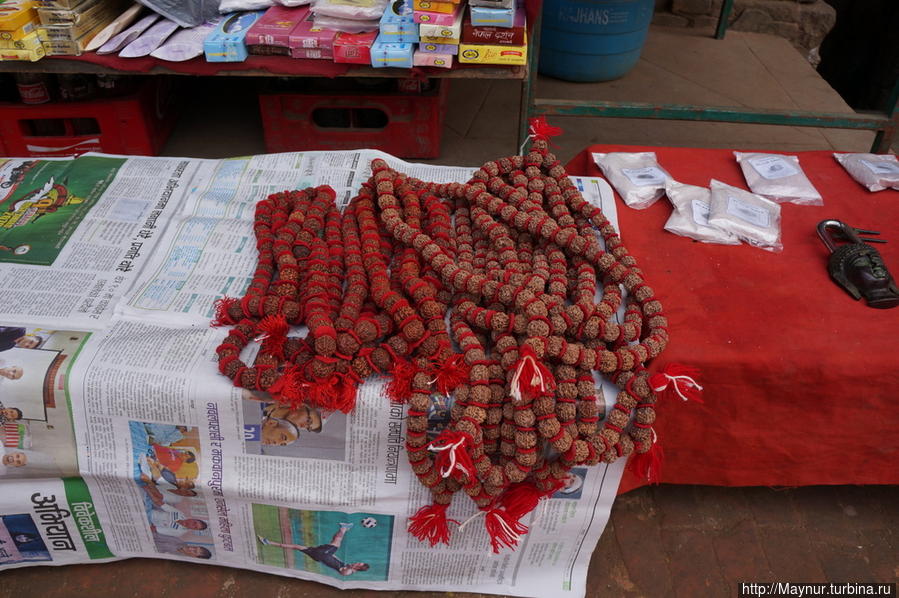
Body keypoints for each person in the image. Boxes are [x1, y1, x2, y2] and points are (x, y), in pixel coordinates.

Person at [258, 522, 369, 576]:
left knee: (337, 542)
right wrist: (341, 561)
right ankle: (268, 542)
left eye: (359, 564)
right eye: (359, 562)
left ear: (359, 568)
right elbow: (336, 561)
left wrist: (350, 569)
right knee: (296, 546)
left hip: (323, 555)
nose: (357, 562)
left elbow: (344, 573)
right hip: (320, 556)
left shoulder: (349, 571)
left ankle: (344, 528)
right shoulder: (347, 564)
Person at [260, 404, 328, 446]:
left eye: (308, 428)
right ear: (302, 405)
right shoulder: (270, 398)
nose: (302, 426)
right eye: (308, 421)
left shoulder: (266, 430)